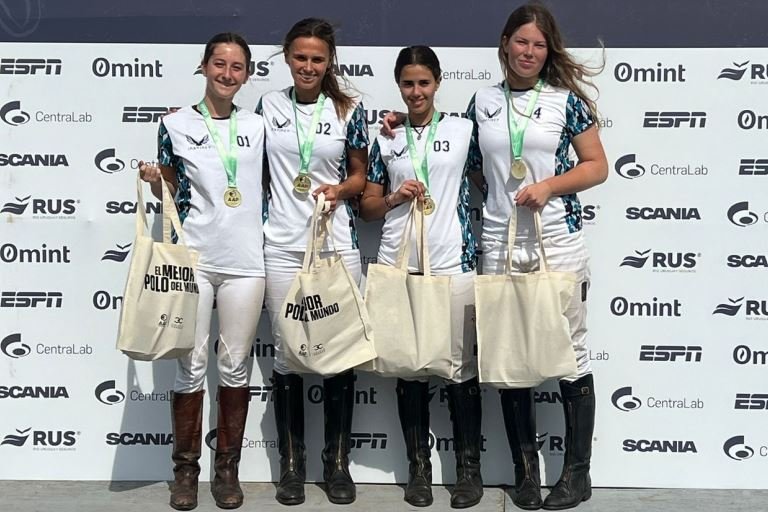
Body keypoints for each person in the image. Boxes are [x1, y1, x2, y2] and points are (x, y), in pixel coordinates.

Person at [466, 4, 608, 510]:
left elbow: (597, 167)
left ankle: (577, 474)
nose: (528, 52)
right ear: (504, 44)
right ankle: (525, 474)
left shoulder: (565, 101)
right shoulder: (480, 101)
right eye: (521, 42)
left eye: (539, 45)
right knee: (509, 356)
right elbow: (467, 163)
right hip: (500, 242)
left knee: (571, 353)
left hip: (558, 241)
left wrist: (548, 185)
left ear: (549, 52)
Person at [138, 33, 266, 510]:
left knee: (235, 364)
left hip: (247, 262)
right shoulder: (173, 123)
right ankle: (185, 473)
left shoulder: (258, 126)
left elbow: (303, 152)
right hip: (193, 258)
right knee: (189, 365)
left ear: (247, 74)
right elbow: (167, 192)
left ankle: (226, 470)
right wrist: (156, 179)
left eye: (236, 67)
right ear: (204, 66)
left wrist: (392, 126)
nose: (227, 74)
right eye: (219, 64)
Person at [359, 46, 483, 509]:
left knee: (459, 371)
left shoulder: (464, 129)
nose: (416, 92)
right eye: (408, 84)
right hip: (399, 261)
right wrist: (395, 197)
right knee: (409, 370)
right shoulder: (385, 139)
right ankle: (418, 473)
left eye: (424, 83)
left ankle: (468, 473)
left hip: (453, 262)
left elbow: (500, 163)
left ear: (438, 83)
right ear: (399, 86)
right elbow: (368, 209)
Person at [256, 17, 369, 506]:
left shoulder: (349, 109)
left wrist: (339, 190)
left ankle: (337, 464)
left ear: (329, 62)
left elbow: (362, 177)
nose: (308, 66)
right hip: (282, 245)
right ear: (287, 57)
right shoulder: (268, 105)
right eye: (300, 57)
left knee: (338, 352)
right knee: (287, 354)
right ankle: (292, 467)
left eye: (317, 59)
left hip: (335, 244)